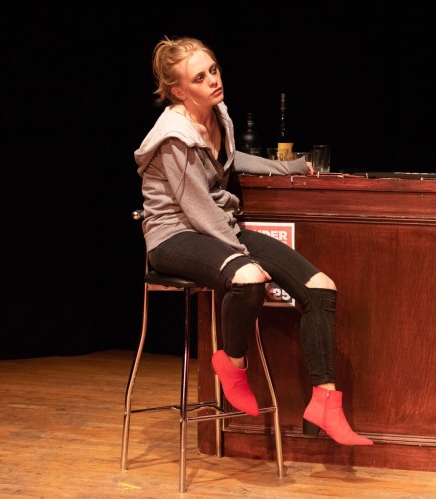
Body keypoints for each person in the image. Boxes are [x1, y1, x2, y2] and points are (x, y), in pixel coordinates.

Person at [133, 35, 372, 446]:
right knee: (248, 277)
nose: (213, 80)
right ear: (179, 91)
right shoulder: (173, 136)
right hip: (174, 234)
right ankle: (232, 364)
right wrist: (243, 254)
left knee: (320, 287)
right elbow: (196, 208)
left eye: (213, 70)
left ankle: (325, 401)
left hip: (215, 227)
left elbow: (229, 159)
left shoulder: (217, 114)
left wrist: (288, 168)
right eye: (199, 77)